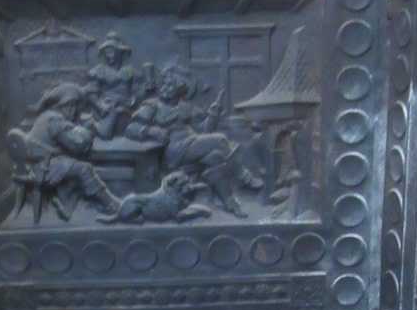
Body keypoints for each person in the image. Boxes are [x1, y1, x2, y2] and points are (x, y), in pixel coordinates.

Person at [128, 63, 262, 217]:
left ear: (180, 88)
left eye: (170, 85)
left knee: (215, 157)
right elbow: (131, 128)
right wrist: (152, 131)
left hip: (191, 145)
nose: (164, 88)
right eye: (163, 84)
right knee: (220, 140)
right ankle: (244, 177)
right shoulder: (153, 106)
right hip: (172, 150)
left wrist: (212, 116)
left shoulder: (187, 108)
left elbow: (204, 132)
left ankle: (231, 204)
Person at [21, 83, 120, 215]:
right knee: (85, 168)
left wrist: (79, 131)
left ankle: (66, 206)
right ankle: (110, 204)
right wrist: (89, 131)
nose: (74, 111)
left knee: (74, 169)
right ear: (61, 105)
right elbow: (77, 145)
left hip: (38, 164)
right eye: (71, 107)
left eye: (75, 107)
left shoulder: (47, 115)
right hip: (43, 168)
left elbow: (67, 135)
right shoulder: (55, 119)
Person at [85, 31, 150, 137]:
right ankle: (98, 128)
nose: (109, 55)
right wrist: (101, 105)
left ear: (121, 52)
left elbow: (138, 91)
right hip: (107, 108)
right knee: (106, 130)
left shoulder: (130, 72)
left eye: (112, 51)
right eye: (106, 52)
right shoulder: (99, 71)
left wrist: (143, 91)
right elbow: (91, 93)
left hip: (127, 106)